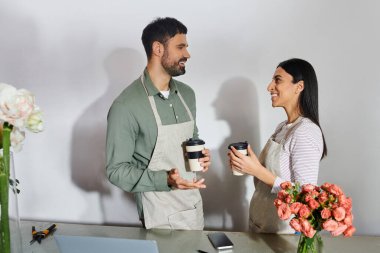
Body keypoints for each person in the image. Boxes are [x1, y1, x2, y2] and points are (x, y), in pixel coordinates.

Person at [106, 17, 211, 230]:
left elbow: (192, 138)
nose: (187, 54)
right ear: (158, 49)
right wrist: (166, 180)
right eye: (180, 47)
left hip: (192, 206)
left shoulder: (187, 95)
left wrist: (202, 155)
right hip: (158, 214)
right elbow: (115, 170)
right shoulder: (126, 105)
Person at [228, 58, 327, 233]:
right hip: (264, 224)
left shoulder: (306, 131)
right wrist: (247, 166)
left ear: (299, 86)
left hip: (285, 232)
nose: (269, 87)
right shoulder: (282, 127)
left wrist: (257, 170)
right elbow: (271, 176)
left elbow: (305, 195)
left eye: (277, 80)